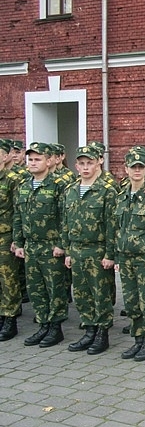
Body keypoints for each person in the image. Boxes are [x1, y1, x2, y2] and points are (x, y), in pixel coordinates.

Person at [13, 142, 72, 348]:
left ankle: (55, 328)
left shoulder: (59, 186)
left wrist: (61, 244)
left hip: (50, 247)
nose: (33, 163)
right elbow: (18, 217)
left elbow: (66, 218)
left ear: (49, 161)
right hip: (31, 246)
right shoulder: (24, 186)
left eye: (38, 159)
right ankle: (43, 324)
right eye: (30, 159)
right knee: (35, 288)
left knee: (54, 288)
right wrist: (18, 242)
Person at [61, 146, 117, 354]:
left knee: (100, 293)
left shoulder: (106, 191)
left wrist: (110, 254)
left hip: (97, 250)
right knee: (82, 294)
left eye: (89, 163)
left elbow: (112, 226)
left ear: (98, 163)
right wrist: (68, 251)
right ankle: (89, 330)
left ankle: (102, 333)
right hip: (76, 250)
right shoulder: (71, 190)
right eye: (82, 163)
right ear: (76, 165)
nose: (85, 167)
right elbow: (66, 223)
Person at [114, 148, 145, 362]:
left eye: (140, 167)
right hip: (125, 258)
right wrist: (116, 256)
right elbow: (117, 228)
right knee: (131, 302)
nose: (137, 170)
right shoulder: (122, 195)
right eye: (133, 167)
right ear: (126, 169)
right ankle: (137, 339)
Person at [0, 139, 22, 341]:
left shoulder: (12, 179)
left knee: (8, 279)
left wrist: (16, 238)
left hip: (5, 237)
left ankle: (10, 318)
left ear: (6, 156)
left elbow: (18, 211)